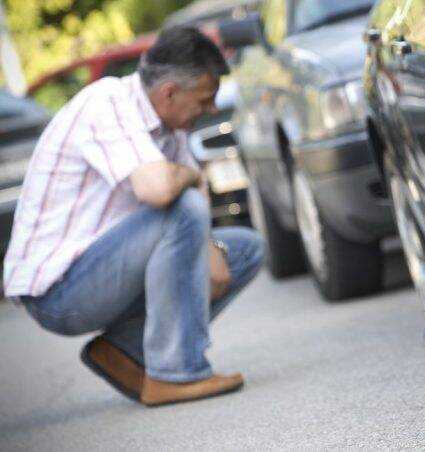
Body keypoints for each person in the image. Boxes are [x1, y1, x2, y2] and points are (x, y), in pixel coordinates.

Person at [3, 27, 264, 406]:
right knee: (181, 207)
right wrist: (191, 178)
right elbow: (162, 190)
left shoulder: (170, 125)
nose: (209, 111)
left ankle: (122, 351)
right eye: (204, 100)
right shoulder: (107, 103)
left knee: (242, 250)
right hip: (59, 291)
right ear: (169, 92)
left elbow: (193, 189)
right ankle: (175, 372)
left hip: (105, 270)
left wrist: (207, 245)